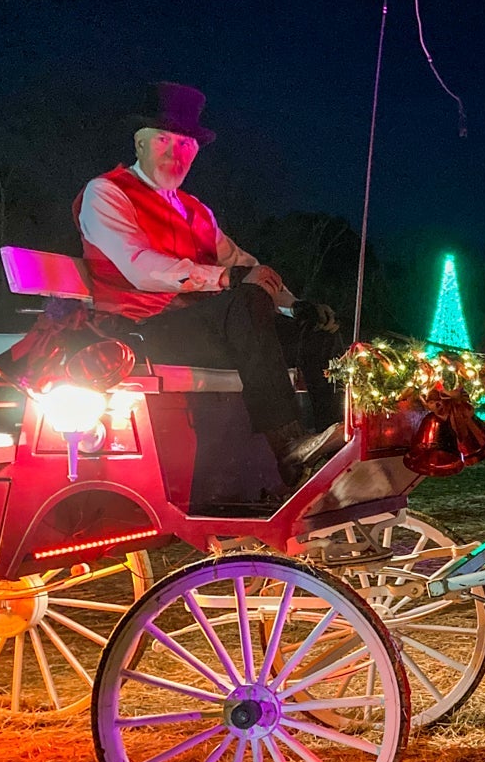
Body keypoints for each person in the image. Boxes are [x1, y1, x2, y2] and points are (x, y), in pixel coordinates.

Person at [74, 82, 344, 487]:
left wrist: (294, 305)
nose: (173, 152)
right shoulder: (107, 192)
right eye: (163, 139)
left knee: (317, 327)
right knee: (244, 301)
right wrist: (226, 278)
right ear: (140, 144)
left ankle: (333, 441)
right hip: (142, 331)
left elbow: (245, 264)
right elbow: (139, 267)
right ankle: (289, 444)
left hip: (206, 328)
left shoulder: (196, 210)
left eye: (184, 145)